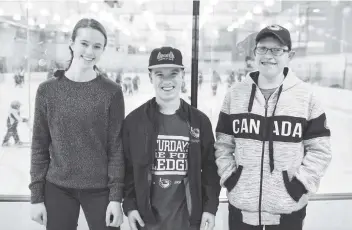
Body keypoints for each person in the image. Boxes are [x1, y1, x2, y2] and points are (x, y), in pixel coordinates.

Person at [214, 24, 332, 230]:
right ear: (255, 52)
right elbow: (223, 145)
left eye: (277, 50)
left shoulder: (306, 97)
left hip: (288, 211)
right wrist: (232, 179)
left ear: (290, 55)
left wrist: (298, 186)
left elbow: (320, 151)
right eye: (263, 49)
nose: (269, 55)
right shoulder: (235, 95)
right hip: (242, 210)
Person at [29, 18, 125, 230]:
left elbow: (116, 147)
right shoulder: (47, 91)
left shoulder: (112, 92)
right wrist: (36, 196)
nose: (90, 51)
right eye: (84, 43)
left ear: (102, 50)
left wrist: (116, 197)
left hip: (101, 189)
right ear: (72, 44)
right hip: (57, 187)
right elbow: (39, 146)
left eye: (97, 46)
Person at [122, 46, 221, 230]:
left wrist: (210, 208)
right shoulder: (134, 122)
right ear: (150, 76)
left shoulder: (199, 121)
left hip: (188, 221)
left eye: (173, 73)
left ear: (183, 75)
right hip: (147, 221)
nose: (167, 81)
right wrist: (129, 206)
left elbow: (210, 169)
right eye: (160, 74)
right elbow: (127, 168)